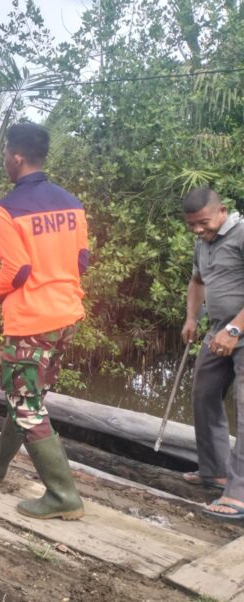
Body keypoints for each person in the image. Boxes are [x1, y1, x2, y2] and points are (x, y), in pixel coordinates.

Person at [0, 123, 88, 521]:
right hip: (66, 315)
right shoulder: (72, 203)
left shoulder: (6, 209)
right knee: (27, 394)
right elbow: (82, 262)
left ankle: (62, 494)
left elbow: (16, 270)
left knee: (26, 401)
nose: (4, 159)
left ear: (16, 157)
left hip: (32, 319)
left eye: (5, 152)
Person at [180, 187, 244, 521]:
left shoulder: (241, 233)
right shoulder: (202, 242)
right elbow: (197, 281)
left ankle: (239, 494)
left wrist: (235, 329)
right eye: (191, 225)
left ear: (222, 211)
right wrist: (192, 318)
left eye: (202, 222)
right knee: (204, 392)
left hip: (238, 329)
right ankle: (215, 470)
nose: (197, 230)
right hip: (218, 327)